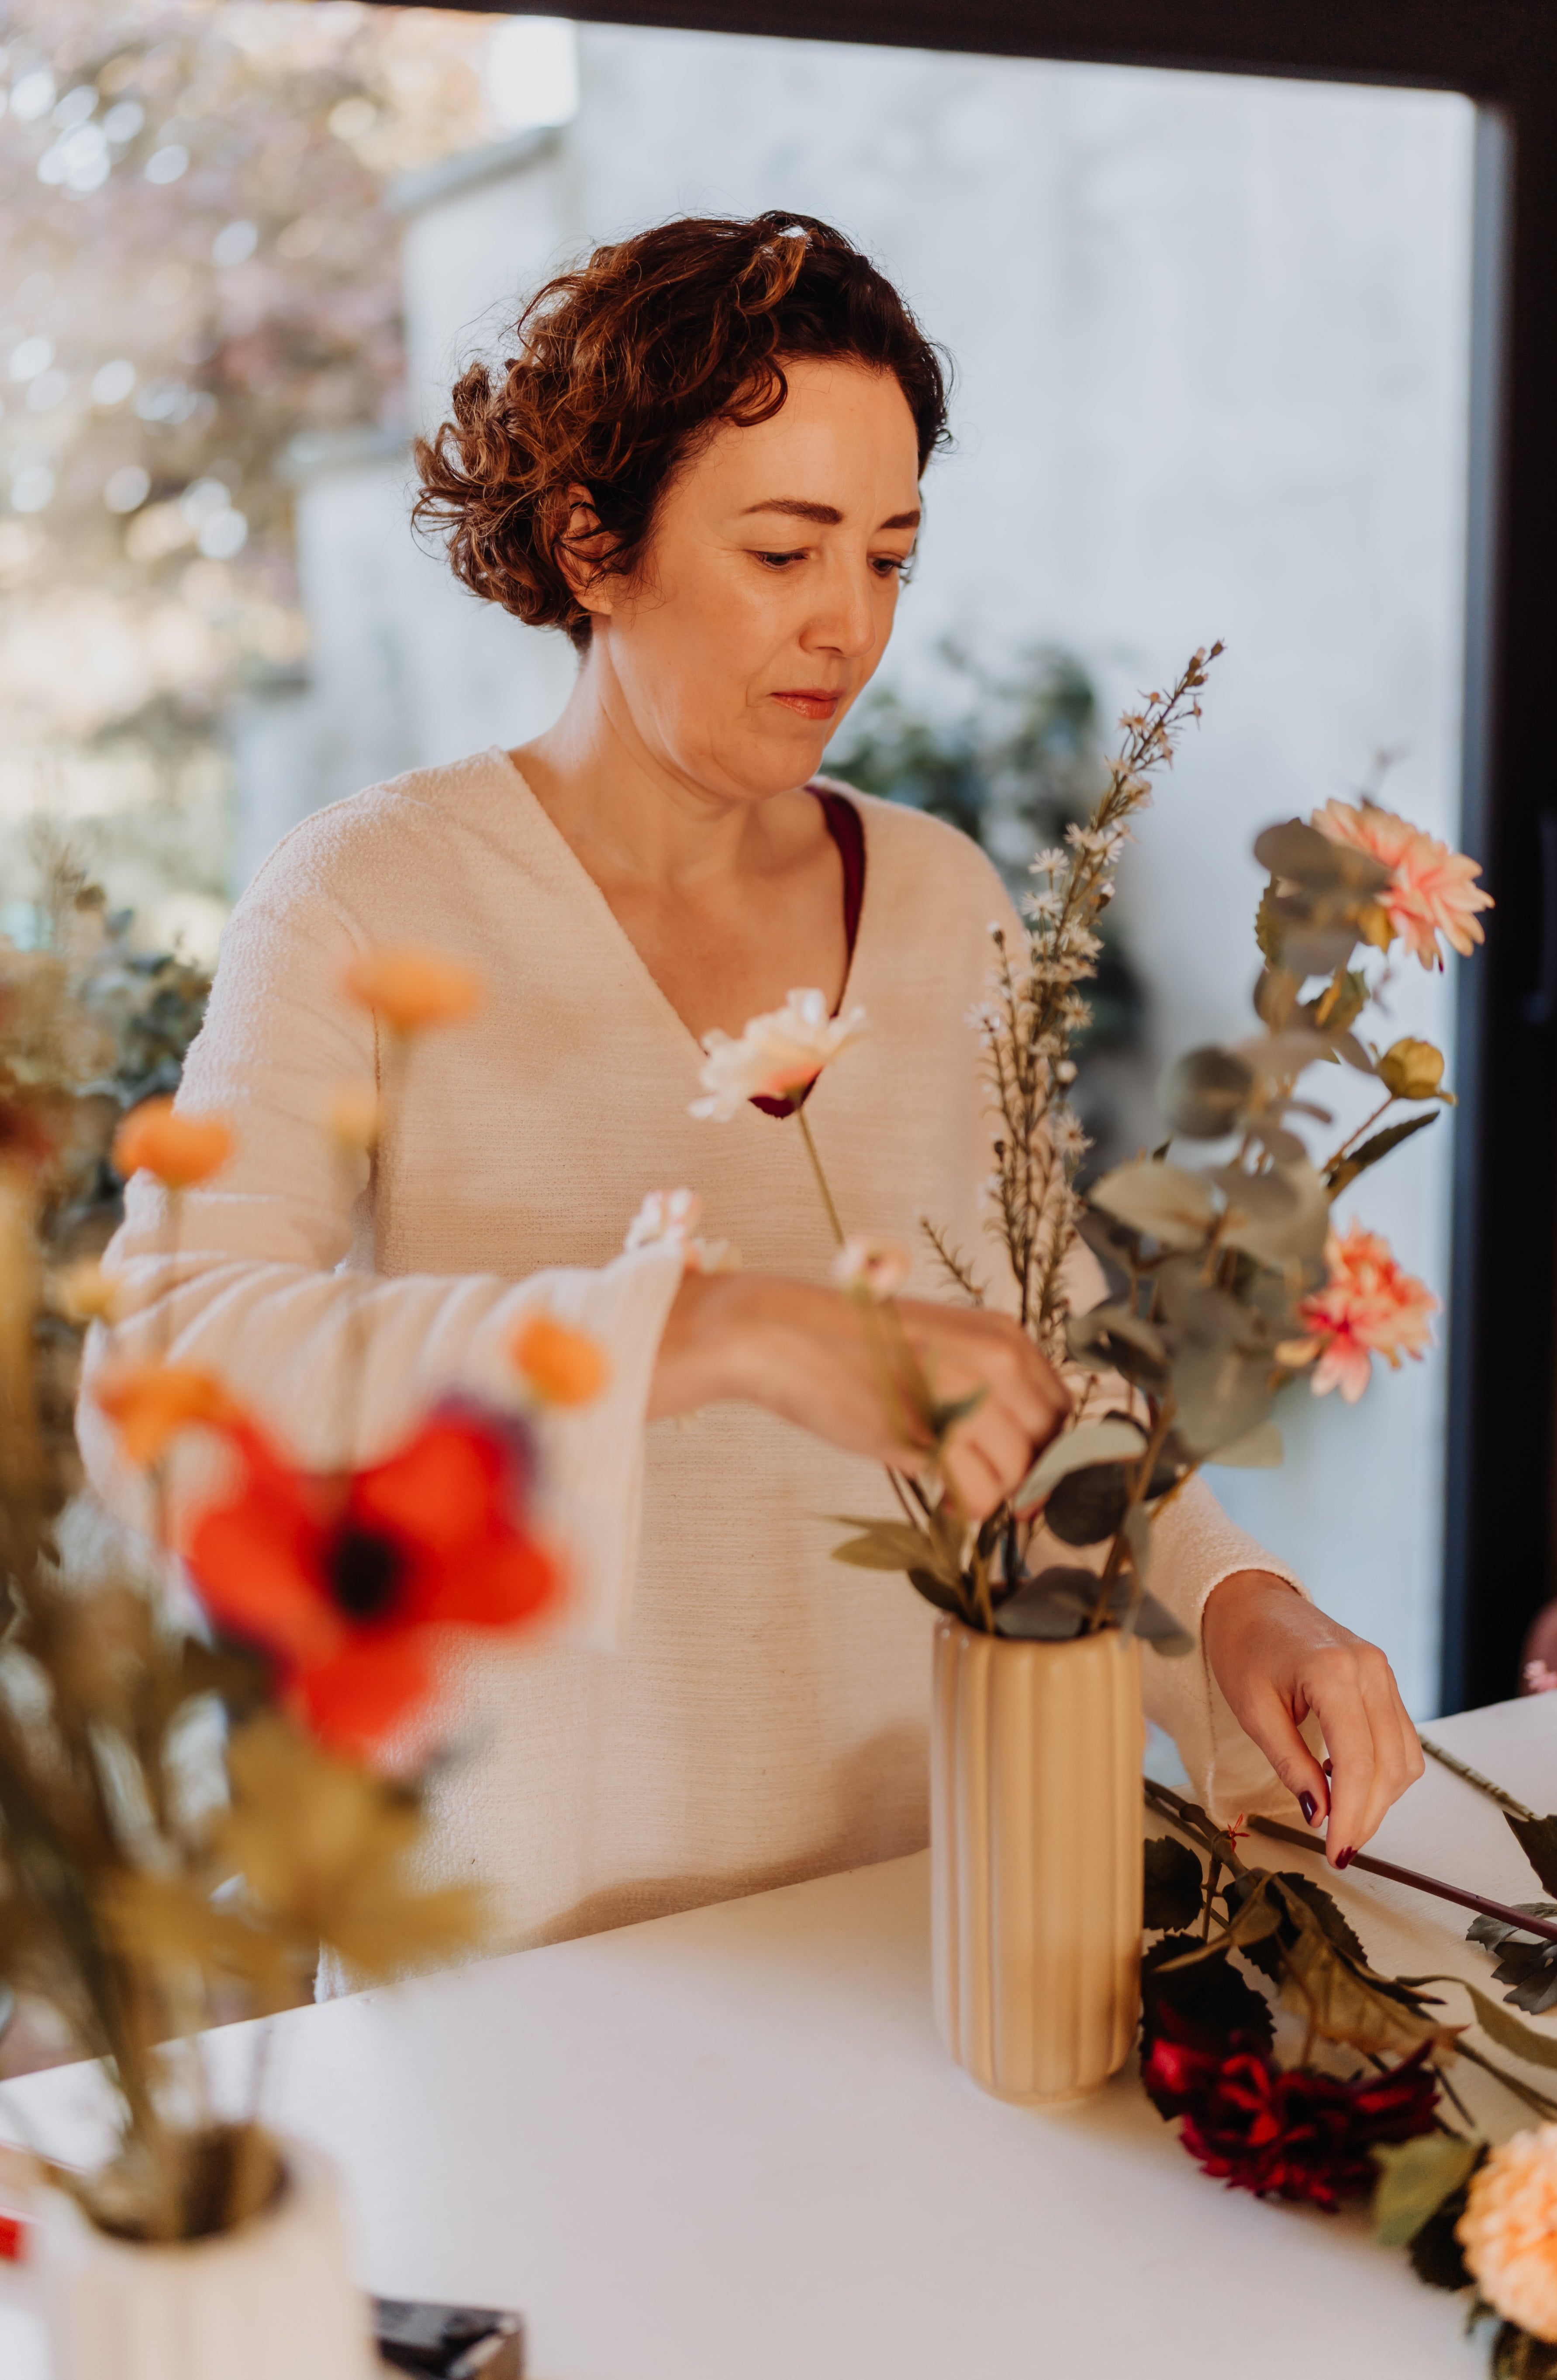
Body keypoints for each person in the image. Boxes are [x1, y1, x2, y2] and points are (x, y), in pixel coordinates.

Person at [81, 212, 1421, 1963]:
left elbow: (1044, 1372)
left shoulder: (942, 898)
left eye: (888, 557)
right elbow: (163, 1380)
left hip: (925, 1912)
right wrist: (706, 1331)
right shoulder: (366, 896)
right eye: (784, 551)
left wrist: (1240, 1602)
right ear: (592, 544)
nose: (844, 628)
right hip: (522, 1958)